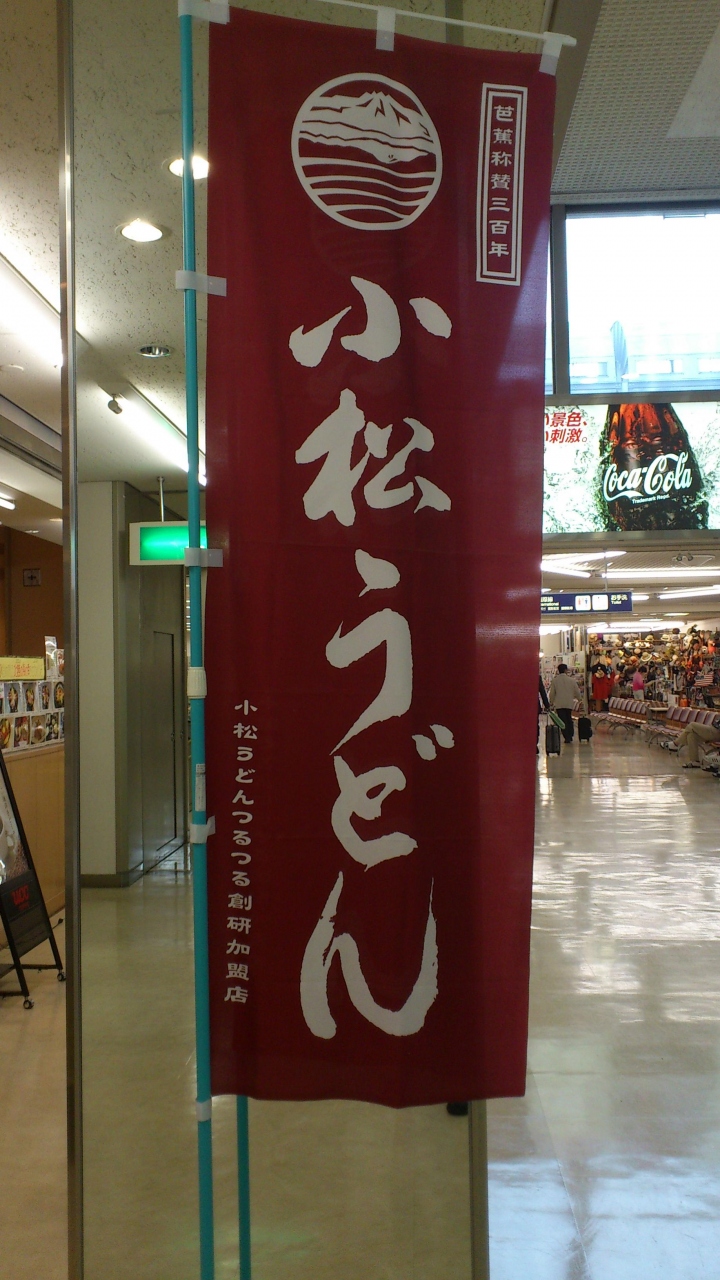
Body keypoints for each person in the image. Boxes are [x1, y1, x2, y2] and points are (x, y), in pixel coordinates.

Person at [548, 663, 582, 743]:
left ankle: (566, 736)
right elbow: (577, 691)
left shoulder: (555, 680)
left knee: (562, 720)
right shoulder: (571, 680)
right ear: (566, 670)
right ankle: (570, 734)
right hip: (569, 703)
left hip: (559, 704)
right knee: (569, 718)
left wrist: (551, 702)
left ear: (558, 670)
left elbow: (552, 693)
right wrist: (580, 699)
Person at [538, 674, 550, 754]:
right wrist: (547, 705)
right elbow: (542, 692)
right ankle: (534, 745)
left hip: (520, 707)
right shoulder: (536, 677)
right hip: (533, 706)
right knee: (534, 726)